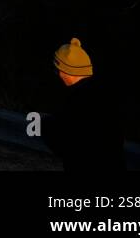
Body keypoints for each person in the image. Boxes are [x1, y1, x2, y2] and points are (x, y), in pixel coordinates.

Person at [42, 37, 124, 171]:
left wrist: (44, 127)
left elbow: (65, 147)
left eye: (56, 70)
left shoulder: (75, 102)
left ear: (64, 71)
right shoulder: (106, 94)